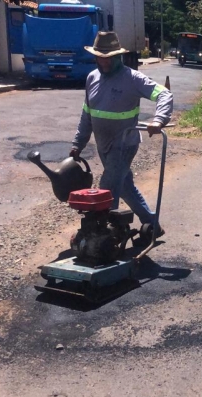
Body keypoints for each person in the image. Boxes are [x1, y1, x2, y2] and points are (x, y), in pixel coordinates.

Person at [70, 31, 173, 242]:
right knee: (124, 186)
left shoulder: (132, 78)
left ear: (119, 56)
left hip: (125, 143)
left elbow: (163, 94)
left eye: (109, 58)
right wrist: (78, 143)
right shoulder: (92, 78)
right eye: (100, 57)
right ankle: (152, 225)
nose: (105, 62)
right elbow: (87, 115)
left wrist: (158, 120)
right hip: (104, 145)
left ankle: (104, 237)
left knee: (107, 187)